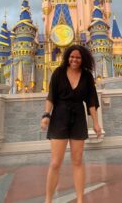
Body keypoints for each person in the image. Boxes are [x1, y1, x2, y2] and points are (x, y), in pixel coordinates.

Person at [41, 44, 102, 203]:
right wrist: (46, 115)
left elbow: (91, 101)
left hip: (78, 118)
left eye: (78, 57)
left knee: (77, 160)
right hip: (59, 117)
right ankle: (48, 200)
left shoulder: (87, 76)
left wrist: (95, 123)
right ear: (68, 57)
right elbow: (51, 97)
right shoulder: (58, 73)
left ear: (83, 60)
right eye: (72, 57)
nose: (75, 60)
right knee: (55, 162)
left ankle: (80, 200)